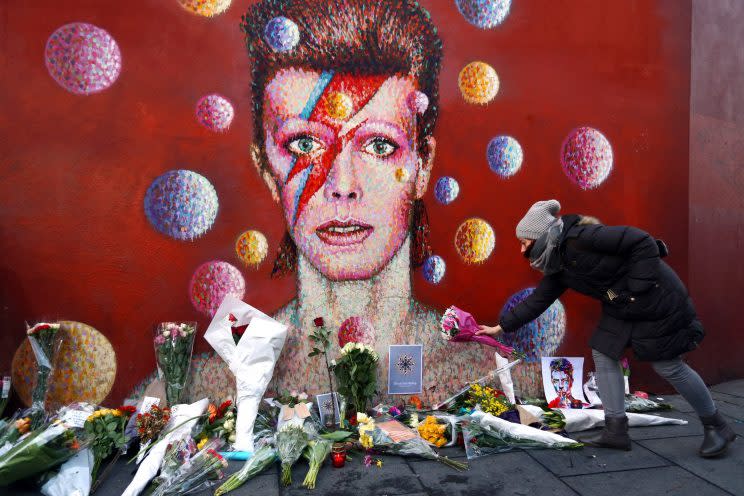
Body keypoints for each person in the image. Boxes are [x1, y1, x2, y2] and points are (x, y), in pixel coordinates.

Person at [171, 0, 495, 406]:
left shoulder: (479, 373)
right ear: (266, 167)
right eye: (304, 144)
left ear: (422, 165)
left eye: (379, 145)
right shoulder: (210, 385)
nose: (341, 185)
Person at [477, 199, 736, 457]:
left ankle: (717, 426)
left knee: (667, 365)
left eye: (524, 242)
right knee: (604, 352)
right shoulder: (559, 262)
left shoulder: (582, 237)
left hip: (655, 298)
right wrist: (500, 327)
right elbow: (538, 299)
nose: (522, 249)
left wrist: (634, 290)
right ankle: (616, 431)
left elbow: (643, 242)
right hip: (622, 303)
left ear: (540, 236)